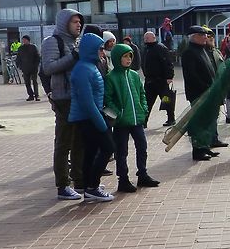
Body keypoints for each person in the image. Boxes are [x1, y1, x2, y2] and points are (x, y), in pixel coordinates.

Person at [104, 43, 160, 193]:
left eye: (130, 56)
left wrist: (144, 109)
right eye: (124, 56)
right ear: (117, 58)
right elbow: (107, 99)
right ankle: (123, 179)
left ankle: (142, 174)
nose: (128, 59)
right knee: (121, 151)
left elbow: (142, 93)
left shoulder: (134, 75)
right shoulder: (111, 77)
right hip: (121, 122)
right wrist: (118, 113)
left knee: (142, 147)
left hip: (137, 120)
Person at [43, 9, 85, 199]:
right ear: (64, 23)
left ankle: (80, 180)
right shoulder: (53, 41)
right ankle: (63, 185)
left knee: (79, 141)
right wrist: (74, 56)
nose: (78, 25)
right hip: (63, 98)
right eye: (74, 22)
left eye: (79, 22)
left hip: (78, 97)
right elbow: (49, 67)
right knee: (63, 143)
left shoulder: (75, 42)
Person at [68, 32, 114, 203]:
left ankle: (88, 185)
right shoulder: (83, 69)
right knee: (108, 147)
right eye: (100, 49)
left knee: (91, 151)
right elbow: (87, 101)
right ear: (91, 50)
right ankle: (92, 186)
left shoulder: (89, 66)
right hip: (88, 117)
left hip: (90, 115)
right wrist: (101, 123)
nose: (102, 52)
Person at [181, 25, 221, 161]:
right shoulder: (189, 53)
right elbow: (192, 75)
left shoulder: (203, 50)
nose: (206, 37)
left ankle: (205, 146)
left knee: (208, 122)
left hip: (208, 92)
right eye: (202, 35)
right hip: (198, 93)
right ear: (194, 37)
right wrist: (206, 88)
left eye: (206, 35)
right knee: (199, 123)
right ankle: (198, 150)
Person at [142, 31, 176, 127]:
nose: (146, 40)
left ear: (153, 38)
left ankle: (171, 118)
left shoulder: (160, 48)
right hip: (149, 81)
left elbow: (168, 63)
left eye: (147, 38)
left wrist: (169, 76)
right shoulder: (146, 49)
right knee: (147, 102)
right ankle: (144, 121)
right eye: (145, 38)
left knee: (166, 100)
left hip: (161, 81)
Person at [15, 35, 41, 101]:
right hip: (25, 68)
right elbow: (18, 58)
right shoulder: (21, 48)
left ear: (28, 40)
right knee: (27, 82)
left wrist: (36, 65)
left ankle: (36, 95)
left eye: (25, 40)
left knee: (34, 81)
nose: (23, 41)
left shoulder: (33, 47)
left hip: (33, 68)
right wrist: (20, 66)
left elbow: (37, 57)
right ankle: (30, 95)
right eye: (23, 40)